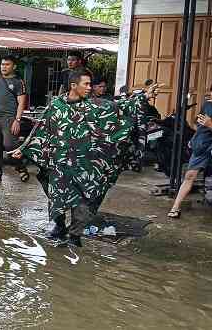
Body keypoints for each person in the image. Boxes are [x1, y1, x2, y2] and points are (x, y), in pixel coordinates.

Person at [12, 72, 154, 247]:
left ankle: (74, 236)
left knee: (84, 201)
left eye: (90, 84)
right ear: (73, 85)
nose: (90, 88)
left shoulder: (95, 105)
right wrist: (24, 149)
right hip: (60, 165)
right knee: (57, 196)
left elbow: (120, 106)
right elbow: (41, 129)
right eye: (86, 84)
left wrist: (143, 97)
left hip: (86, 165)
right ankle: (59, 226)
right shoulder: (56, 105)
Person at [167, 84, 212, 218]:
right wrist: (194, 138)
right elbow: (197, 123)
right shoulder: (207, 105)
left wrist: (211, 125)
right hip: (202, 146)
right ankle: (175, 207)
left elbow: (208, 124)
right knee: (189, 176)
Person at [0, 55, 29, 183]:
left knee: (10, 145)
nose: (4, 67)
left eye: (7, 64)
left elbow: (21, 102)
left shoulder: (18, 82)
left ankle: (20, 167)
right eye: (2, 64)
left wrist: (17, 120)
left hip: (9, 119)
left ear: (13, 66)